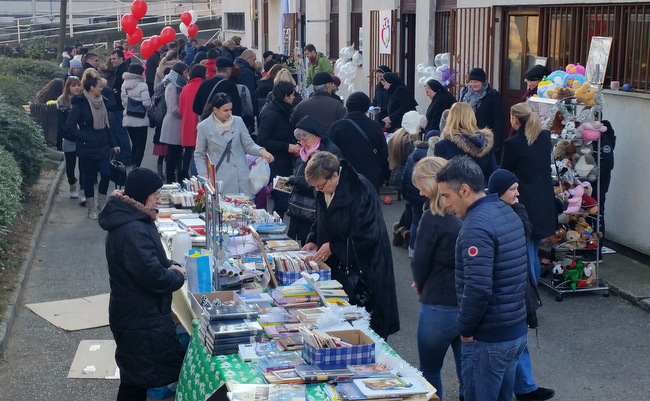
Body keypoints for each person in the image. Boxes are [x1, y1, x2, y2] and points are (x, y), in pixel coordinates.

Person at [436, 156, 528, 401]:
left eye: (446, 195)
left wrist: (465, 328)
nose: (446, 203)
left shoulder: (475, 227)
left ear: (464, 190)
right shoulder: (506, 211)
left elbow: (478, 288)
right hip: (514, 332)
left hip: (489, 338)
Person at [98, 167, 187, 401]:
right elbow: (154, 277)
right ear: (142, 195)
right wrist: (178, 276)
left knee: (135, 376)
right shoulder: (133, 229)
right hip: (139, 315)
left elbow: (152, 260)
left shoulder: (134, 218)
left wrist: (171, 265)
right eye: (155, 194)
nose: (159, 199)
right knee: (136, 378)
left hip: (134, 312)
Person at [302, 151, 400, 339]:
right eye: (315, 186)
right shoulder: (324, 187)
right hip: (339, 269)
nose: (318, 190)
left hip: (366, 270)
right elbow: (320, 219)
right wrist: (313, 239)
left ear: (335, 175)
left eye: (321, 185)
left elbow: (368, 234)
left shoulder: (360, 188)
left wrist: (333, 246)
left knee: (367, 331)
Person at [487, 169, 554, 401]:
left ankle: (525, 387)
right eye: (512, 189)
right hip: (507, 290)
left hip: (516, 288)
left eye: (517, 188)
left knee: (517, 340)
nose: (517, 193)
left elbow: (524, 231)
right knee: (510, 343)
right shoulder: (491, 214)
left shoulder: (517, 209)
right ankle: (520, 388)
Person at [410, 156, 463, 401]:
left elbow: (420, 261)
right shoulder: (462, 217)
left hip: (437, 305)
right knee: (467, 373)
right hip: (464, 303)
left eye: (421, 187)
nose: (420, 193)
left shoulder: (431, 219)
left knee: (429, 371)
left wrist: (419, 284)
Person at [501, 102, 556, 283]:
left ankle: (530, 293)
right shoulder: (545, 137)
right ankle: (534, 288)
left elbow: (505, 174)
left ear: (514, 119)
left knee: (527, 252)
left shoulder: (513, 144)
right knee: (534, 249)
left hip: (525, 203)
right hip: (545, 201)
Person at [194, 93, 274, 196]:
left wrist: (261, 151)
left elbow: (249, 145)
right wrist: (204, 174)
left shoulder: (238, 121)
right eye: (225, 110)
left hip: (240, 178)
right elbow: (199, 154)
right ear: (215, 109)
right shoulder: (204, 126)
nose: (229, 113)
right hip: (219, 179)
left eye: (230, 110)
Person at [64, 74, 120, 219]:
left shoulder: (103, 102)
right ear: (92, 88)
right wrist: (84, 136)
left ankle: (101, 202)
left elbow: (108, 125)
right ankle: (91, 208)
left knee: (106, 173)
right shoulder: (80, 103)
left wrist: (114, 143)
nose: (101, 89)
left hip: (103, 144)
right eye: (99, 86)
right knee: (89, 178)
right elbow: (69, 126)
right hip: (87, 147)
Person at [287, 116, 342, 243]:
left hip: (314, 207)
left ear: (316, 136)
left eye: (305, 140)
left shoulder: (329, 151)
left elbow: (327, 180)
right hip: (300, 205)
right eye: (300, 141)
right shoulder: (305, 151)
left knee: (311, 241)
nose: (302, 144)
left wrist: (296, 180)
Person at [328, 91, 390, 192]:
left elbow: (329, 154)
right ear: (366, 108)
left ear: (348, 106)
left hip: (344, 175)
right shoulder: (375, 127)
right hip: (370, 177)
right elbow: (383, 153)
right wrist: (384, 175)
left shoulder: (337, 127)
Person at [257, 81, 299, 218]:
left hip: (283, 165)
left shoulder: (282, 110)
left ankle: (275, 223)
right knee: (282, 202)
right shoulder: (271, 114)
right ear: (286, 96)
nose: (294, 97)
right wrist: (287, 146)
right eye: (292, 95)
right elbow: (262, 140)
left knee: (284, 201)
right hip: (275, 166)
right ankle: (275, 225)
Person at [434, 102, 497, 186]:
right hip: (481, 190)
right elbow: (492, 173)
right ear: (472, 118)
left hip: (455, 191)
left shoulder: (442, 145)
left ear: (450, 118)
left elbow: (439, 179)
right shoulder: (486, 142)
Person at [402, 131, 439, 257]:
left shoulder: (413, 155)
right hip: (428, 194)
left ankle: (412, 248)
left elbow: (405, 176)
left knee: (415, 220)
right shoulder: (434, 158)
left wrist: (406, 195)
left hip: (414, 194)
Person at [458, 67, 505, 160]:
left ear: (483, 82)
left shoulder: (492, 95)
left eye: (476, 82)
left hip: (484, 137)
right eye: (471, 82)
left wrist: (496, 142)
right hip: (466, 136)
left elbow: (498, 119)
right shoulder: (465, 93)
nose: (473, 84)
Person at [159, 62, 189, 183]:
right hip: (173, 123)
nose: (187, 75)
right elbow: (172, 108)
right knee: (173, 153)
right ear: (180, 73)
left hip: (178, 123)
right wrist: (185, 113)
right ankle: (170, 179)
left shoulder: (180, 84)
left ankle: (176, 177)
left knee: (177, 153)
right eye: (185, 72)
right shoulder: (172, 85)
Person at [178, 64, 207, 180]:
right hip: (201, 123)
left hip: (187, 124)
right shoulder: (204, 86)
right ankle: (198, 178)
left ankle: (185, 175)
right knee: (200, 154)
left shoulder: (185, 88)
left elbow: (180, 110)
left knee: (188, 152)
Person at [121, 63, 152, 168]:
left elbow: (123, 102)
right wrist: (150, 109)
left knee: (134, 144)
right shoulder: (143, 85)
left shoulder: (124, 84)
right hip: (140, 119)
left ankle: (133, 165)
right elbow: (146, 103)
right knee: (141, 146)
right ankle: (136, 167)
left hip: (128, 118)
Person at [56, 76, 83, 199]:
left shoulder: (84, 99)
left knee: (83, 166)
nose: (77, 88)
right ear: (68, 87)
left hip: (82, 138)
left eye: (78, 85)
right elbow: (61, 124)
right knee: (70, 165)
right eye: (74, 85)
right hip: (69, 138)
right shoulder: (62, 101)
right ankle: (72, 185)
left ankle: (84, 189)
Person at [507, 65, 550, 138]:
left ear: (542, 79)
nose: (530, 83)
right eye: (528, 80)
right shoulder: (529, 92)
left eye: (533, 80)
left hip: (533, 131)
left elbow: (544, 118)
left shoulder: (544, 95)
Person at [110, 49, 133, 165]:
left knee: (121, 132)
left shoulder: (122, 71)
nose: (112, 61)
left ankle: (126, 157)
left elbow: (120, 90)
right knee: (119, 132)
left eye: (114, 58)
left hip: (118, 106)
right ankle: (123, 156)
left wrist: (114, 93)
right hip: (117, 106)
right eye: (111, 58)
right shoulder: (120, 70)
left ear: (121, 58)